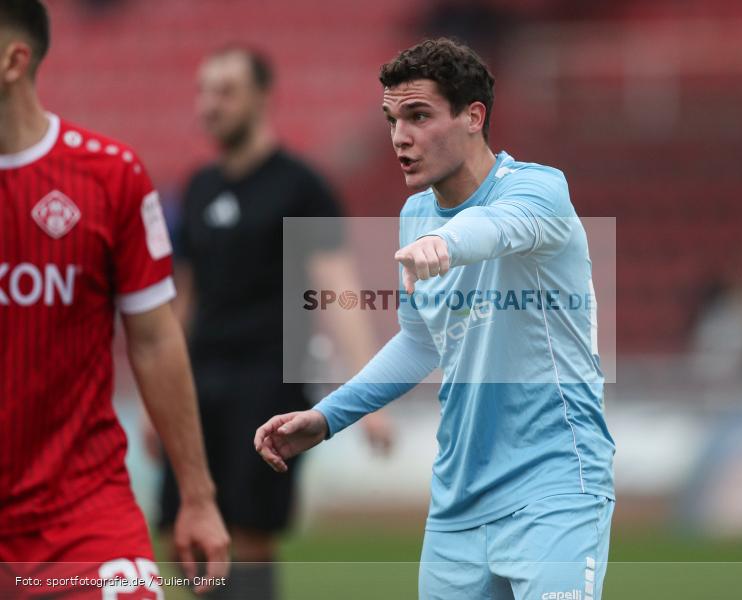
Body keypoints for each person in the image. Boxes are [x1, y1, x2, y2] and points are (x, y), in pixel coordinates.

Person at [255, 38, 616, 599]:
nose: (400, 135)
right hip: (458, 503)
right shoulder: (416, 213)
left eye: (419, 115)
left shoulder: (540, 190)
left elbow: (499, 227)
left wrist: (445, 244)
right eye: (391, 118)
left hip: (555, 484)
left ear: (474, 117)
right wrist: (327, 417)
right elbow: (421, 342)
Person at [0, 1, 229, 598]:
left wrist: (197, 498)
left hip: (82, 515)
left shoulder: (110, 175)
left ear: (13, 60)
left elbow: (154, 339)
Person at [155, 45, 393, 600]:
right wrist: (159, 391)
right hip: (196, 384)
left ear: (262, 96)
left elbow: (336, 289)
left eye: (226, 91)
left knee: (248, 533)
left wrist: (368, 393)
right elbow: (182, 299)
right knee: (181, 533)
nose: (209, 105)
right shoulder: (197, 187)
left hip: (266, 382)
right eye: (204, 92)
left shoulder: (301, 186)